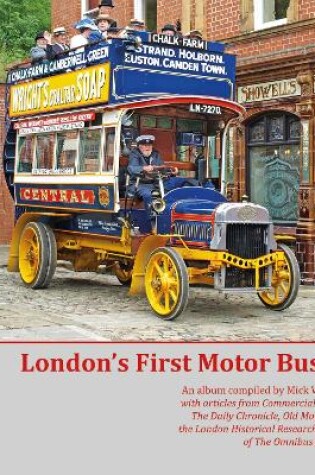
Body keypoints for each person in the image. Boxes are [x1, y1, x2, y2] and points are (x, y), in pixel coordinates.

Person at [127, 135, 197, 212]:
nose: (148, 147)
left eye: (150, 145)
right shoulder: (134, 154)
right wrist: (143, 168)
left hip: (159, 182)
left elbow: (162, 168)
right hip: (141, 184)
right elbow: (132, 168)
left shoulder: (155, 153)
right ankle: (152, 218)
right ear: (139, 146)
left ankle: (184, 209)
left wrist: (172, 172)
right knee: (148, 195)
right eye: (145, 145)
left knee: (188, 181)